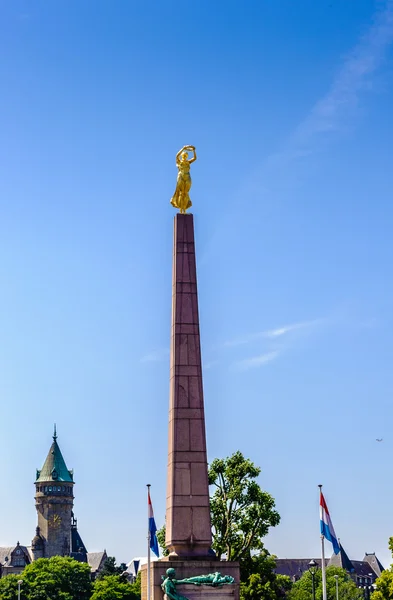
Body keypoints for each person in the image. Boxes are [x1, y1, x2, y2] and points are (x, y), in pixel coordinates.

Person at [170, 145, 197, 214]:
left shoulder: (188, 162)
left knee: (185, 193)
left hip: (187, 176)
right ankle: (181, 210)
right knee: (181, 193)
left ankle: (184, 209)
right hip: (181, 176)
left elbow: (194, 158)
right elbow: (176, 156)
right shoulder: (179, 161)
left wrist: (193, 150)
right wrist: (183, 148)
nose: (185, 156)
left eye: (186, 155)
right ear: (182, 156)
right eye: (184, 155)